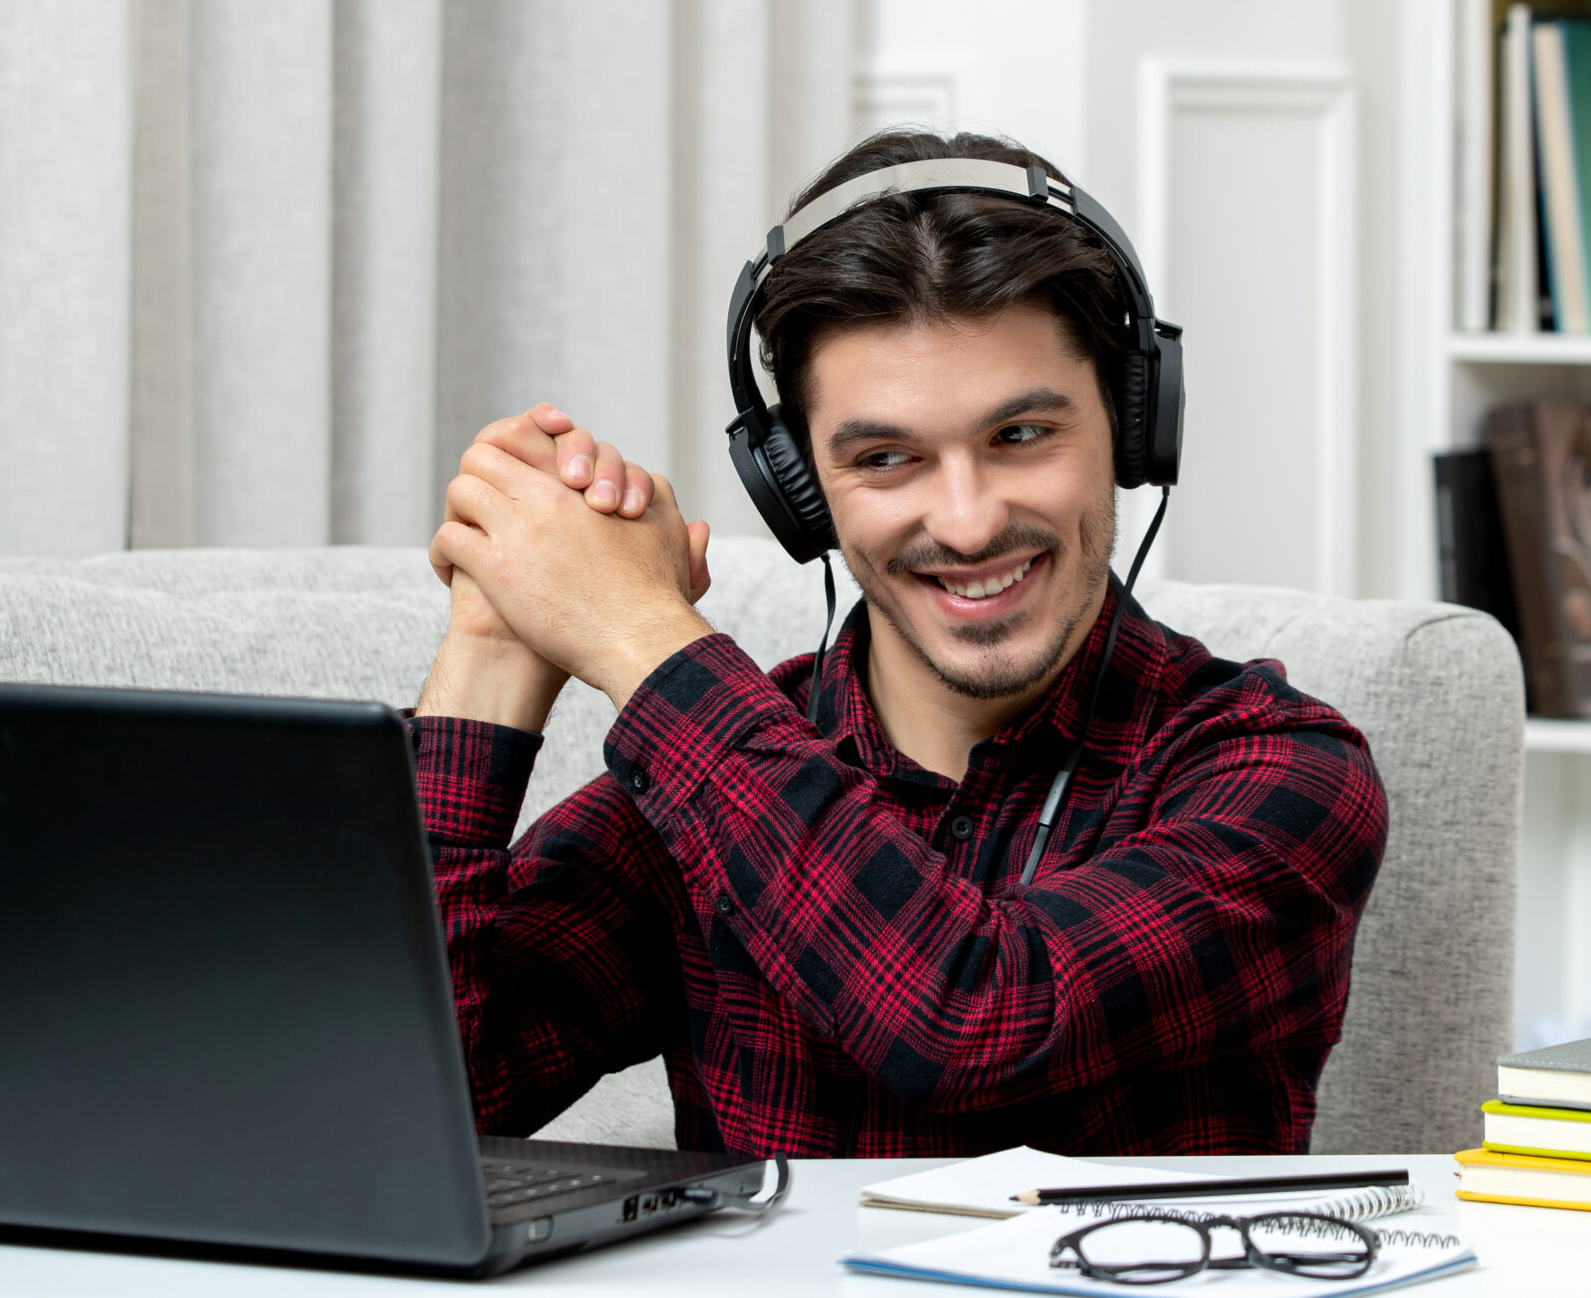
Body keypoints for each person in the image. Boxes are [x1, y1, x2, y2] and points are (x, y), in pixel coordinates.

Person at [413, 129, 1388, 1157]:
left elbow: (969, 1019)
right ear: (797, 487)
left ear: (1134, 424)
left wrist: (633, 630)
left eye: (1020, 436)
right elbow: (419, 1107)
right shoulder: (705, 789)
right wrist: (492, 645)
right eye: (887, 457)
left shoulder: (1281, 773)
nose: (966, 523)